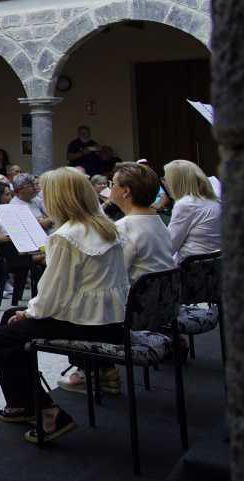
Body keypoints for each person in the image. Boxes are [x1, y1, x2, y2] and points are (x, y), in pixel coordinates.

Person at [0, 167, 129, 444]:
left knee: (0, 338)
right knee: (10, 321)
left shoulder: (66, 236)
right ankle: (22, 403)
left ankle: (47, 412)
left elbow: (51, 295)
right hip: (111, 319)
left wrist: (28, 312)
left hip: (86, 324)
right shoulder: (106, 226)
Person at [58, 162, 176, 394]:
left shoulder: (124, 228)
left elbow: (109, 276)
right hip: (160, 307)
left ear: (126, 191)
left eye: (112, 184)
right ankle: (102, 369)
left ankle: (93, 371)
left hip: (131, 313)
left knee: (77, 298)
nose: (109, 189)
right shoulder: (157, 221)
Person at [164, 159, 222, 261]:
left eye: (166, 179)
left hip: (192, 269)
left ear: (176, 182)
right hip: (214, 267)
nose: (165, 184)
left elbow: (169, 247)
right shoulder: (214, 199)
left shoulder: (186, 204)